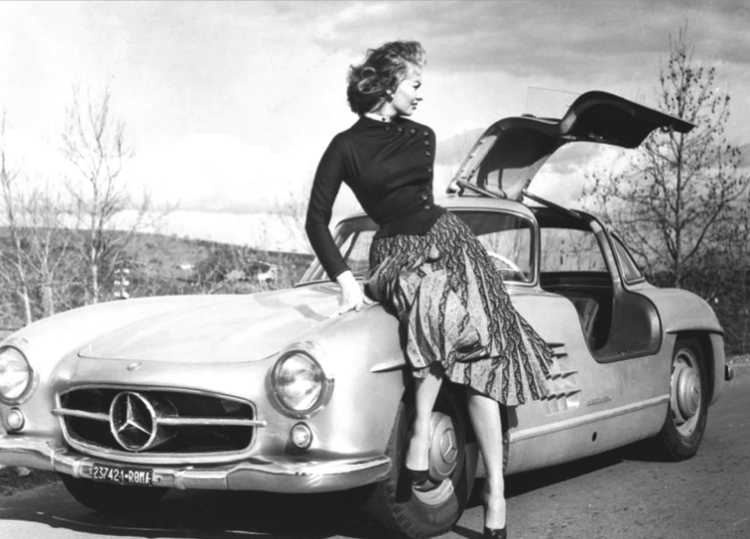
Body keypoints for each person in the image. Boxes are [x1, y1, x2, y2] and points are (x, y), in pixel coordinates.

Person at [305, 40, 553, 539]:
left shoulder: (423, 135)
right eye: (415, 83)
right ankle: (420, 425)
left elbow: (422, 204)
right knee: (438, 300)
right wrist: (347, 280)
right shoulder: (344, 147)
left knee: (482, 358)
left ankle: (495, 492)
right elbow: (315, 220)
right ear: (388, 82)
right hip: (395, 252)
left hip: (451, 240)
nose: (421, 93)